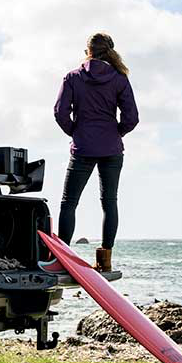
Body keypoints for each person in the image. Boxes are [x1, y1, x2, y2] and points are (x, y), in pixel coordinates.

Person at [48, 32, 138, 272]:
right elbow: (132, 117)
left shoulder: (73, 77)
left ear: (87, 51)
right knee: (109, 202)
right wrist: (116, 132)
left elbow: (60, 112)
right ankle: (105, 259)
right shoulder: (119, 78)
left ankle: (62, 259)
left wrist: (75, 132)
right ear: (109, 51)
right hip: (111, 148)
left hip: (83, 147)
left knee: (69, 203)